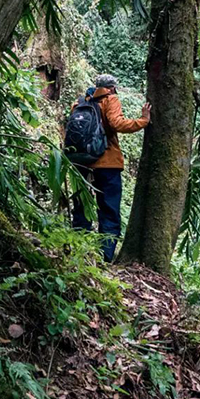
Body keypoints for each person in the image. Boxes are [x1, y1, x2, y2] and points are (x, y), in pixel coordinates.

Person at [70, 75, 150, 262]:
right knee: (109, 210)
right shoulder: (110, 100)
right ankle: (104, 257)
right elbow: (117, 123)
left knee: (82, 206)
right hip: (107, 164)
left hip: (81, 162)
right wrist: (143, 121)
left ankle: (78, 250)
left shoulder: (80, 103)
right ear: (112, 88)